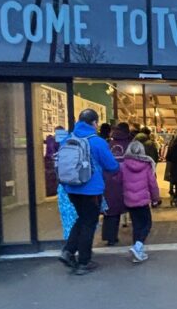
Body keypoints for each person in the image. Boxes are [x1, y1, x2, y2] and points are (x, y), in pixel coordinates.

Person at [59, 108, 119, 275]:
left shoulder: (67, 139)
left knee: (83, 218)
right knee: (89, 223)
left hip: (71, 188)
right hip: (91, 190)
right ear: (94, 123)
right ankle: (84, 262)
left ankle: (68, 251)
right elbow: (111, 166)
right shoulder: (97, 141)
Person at [120, 140, 160, 263]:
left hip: (129, 200)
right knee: (147, 223)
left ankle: (137, 250)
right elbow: (152, 184)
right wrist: (155, 199)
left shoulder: (123, 165)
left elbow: (119, 183)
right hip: (142, 201)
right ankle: (138, 247)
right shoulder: (147, 165)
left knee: (136, 225)